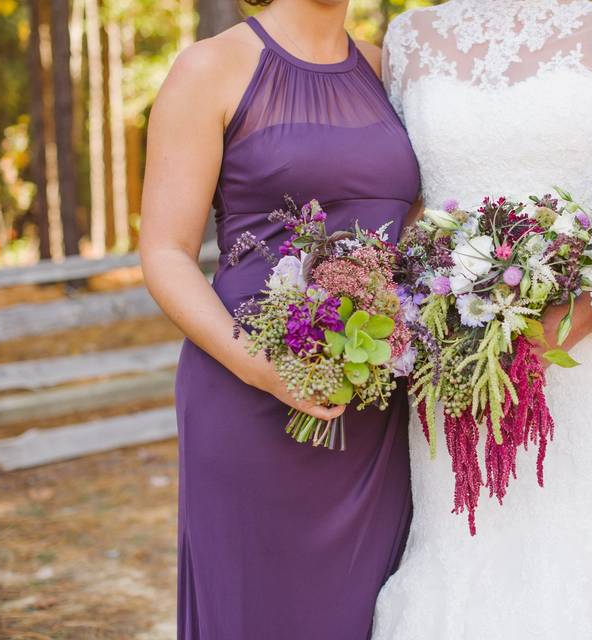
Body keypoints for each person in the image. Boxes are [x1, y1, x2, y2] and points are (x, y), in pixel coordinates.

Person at [372, 2, 592, 638]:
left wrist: (552, 332)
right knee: (464, 551)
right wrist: (451, 318)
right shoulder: (408, 39)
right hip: (457, 360)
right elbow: (399, 195)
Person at [140, 1, 419, 637]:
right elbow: (164, 253)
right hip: (247, 395)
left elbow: (418, 225)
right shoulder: (209, 68)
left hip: (374, 406)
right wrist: (262, 368)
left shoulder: (390, 70)